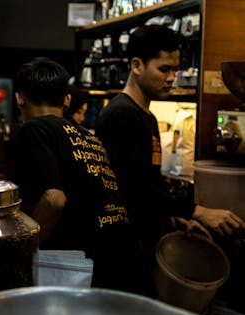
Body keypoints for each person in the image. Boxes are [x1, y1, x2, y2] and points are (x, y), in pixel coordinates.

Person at [94, 25, 245, 273]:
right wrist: (198, 212)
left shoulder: (145, 115)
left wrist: (175, 216)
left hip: (143, 239)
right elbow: (133, 187)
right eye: (164, 69)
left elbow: (148, 181)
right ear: (136, 65)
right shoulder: (122, 115)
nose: (171, 77)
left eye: (175, 69)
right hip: (124, 248)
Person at [13, 56, 152, 295]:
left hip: (89, 274)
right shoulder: (88, 136)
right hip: (129, 263)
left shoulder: (34, 129)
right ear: (67, 100)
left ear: (19, 98)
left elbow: (54, 200)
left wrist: (23, 247)